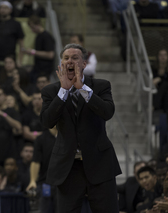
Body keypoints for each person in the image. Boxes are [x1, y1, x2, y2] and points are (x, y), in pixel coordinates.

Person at [40, 43, 121, 212]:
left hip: (99, 163)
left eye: (75, 58)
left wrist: (83, 89)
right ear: (61, 64)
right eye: (66, 58)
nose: (70, 61)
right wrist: (63, 91)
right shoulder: (51, 91)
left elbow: (107, 112)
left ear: (84, 64)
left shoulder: (100, 86)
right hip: (68, 167)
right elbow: (47, 121)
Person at [0, 0, 24, 80]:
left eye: (5, 8)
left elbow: (21, 44)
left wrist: (20, 60)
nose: (3, 10)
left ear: (10, 10)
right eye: (1, 7)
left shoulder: (16, 24)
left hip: (9, 61)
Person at [26, 126, 58, 213]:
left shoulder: (66, 137)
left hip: (63, 182)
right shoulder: (41, 139)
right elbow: (36, 161)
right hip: (45, 182)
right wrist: (32, 180)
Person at [22, 15, 55, 81]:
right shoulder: (38, 36)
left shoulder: (46, 36)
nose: (32, 30)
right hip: (38, 69)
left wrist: (33, 52)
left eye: (33, 27)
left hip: (44, 71)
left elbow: (50, 55)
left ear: (38, 24)